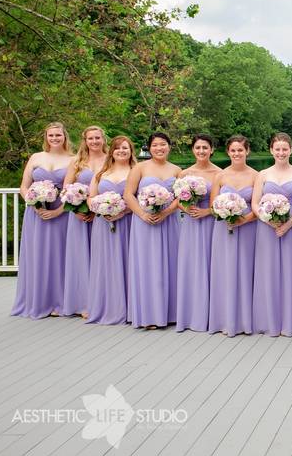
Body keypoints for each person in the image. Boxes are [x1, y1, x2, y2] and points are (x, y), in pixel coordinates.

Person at [11, 122, 74, 319]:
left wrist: (58, 212)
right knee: (37, 255)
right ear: (45, 138)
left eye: (58, 135)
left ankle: (59, 302)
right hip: (36, 215)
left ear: (65, 137)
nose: (54, 138)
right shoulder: (36, 157)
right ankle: (37, 301)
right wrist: (33, 202)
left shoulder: (73, 159)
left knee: (60, 256)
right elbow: (23, 186)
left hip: (60, 214)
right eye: (51, 135)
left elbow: (70, 190)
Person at [125, 132, 181, 329]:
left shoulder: (176, 170)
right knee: (147, 265)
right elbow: (128, 194)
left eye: (163, 144)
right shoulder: (139, 168)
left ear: (169, 146)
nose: (159, 148)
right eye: (155, 145)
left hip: (169, 221)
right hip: (144, 222)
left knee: (171, 263)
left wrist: (166, 212)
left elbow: (180, 197)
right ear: (149, 147)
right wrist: (142, 214)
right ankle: (148, 314)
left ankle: (171, 312)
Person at [252, 132, 292, 336]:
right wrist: (268, 219)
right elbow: (255, 203)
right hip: (267, 228)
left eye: (285, 149)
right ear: (271, 150)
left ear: (291, 150)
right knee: (269, 270)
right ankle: (270, 319)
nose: (281, 152)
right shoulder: (263, 174)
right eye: (277, 149)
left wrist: (289, 223)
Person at [208, 135, 258, 336]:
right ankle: (224, 319)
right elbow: (213, 205)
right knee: (225, 271)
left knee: (246, 271)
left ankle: (246, 320)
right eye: (233, 150)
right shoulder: (220, 176)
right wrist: (224, 213)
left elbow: (258, 206)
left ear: (247, 151)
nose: (237, 153)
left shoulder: (256, 176)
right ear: (228, 152)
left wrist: (243, 219)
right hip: (224, 229)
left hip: (248, 229)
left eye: (240, 150)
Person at [85, 136, 135, 325]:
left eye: (125, 148)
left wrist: (123, 211)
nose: (121, 151)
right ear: (111, 151)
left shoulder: (135, 171)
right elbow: (91, 197)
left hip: (128, 223)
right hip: (103, 224)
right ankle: (105, 306)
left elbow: (137, 199)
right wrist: (99, 208)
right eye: (117, 148)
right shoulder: (101, 172)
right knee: (104, 263)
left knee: (127, 261)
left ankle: (129, 308)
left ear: (131, 151)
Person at [175, 134, 221, 332]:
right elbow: (177, 201)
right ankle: (192, 313)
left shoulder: (219, 173)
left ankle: (213, 313)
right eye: (198, 147)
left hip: (210, 221)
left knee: (212, 265)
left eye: (205, 147)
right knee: (192, 265)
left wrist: (206, 212)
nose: (201, 151)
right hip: (191, 223)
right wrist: (188, 209)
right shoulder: (184, 174)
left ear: (212, 150)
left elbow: (219, 202)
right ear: (193, 150)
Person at [61, 125, 107, 318]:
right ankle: (83, 303)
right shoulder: (77, 161)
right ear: (85, 141)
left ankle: (102, 300)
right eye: (90, 139)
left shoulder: (110, 158)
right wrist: (76, 208)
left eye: (97, 138)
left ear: (103, 139)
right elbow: (66, 188)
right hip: (79, 216)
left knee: (101, 258)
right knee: (80, 257)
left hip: (103, 215)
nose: (94, 142)